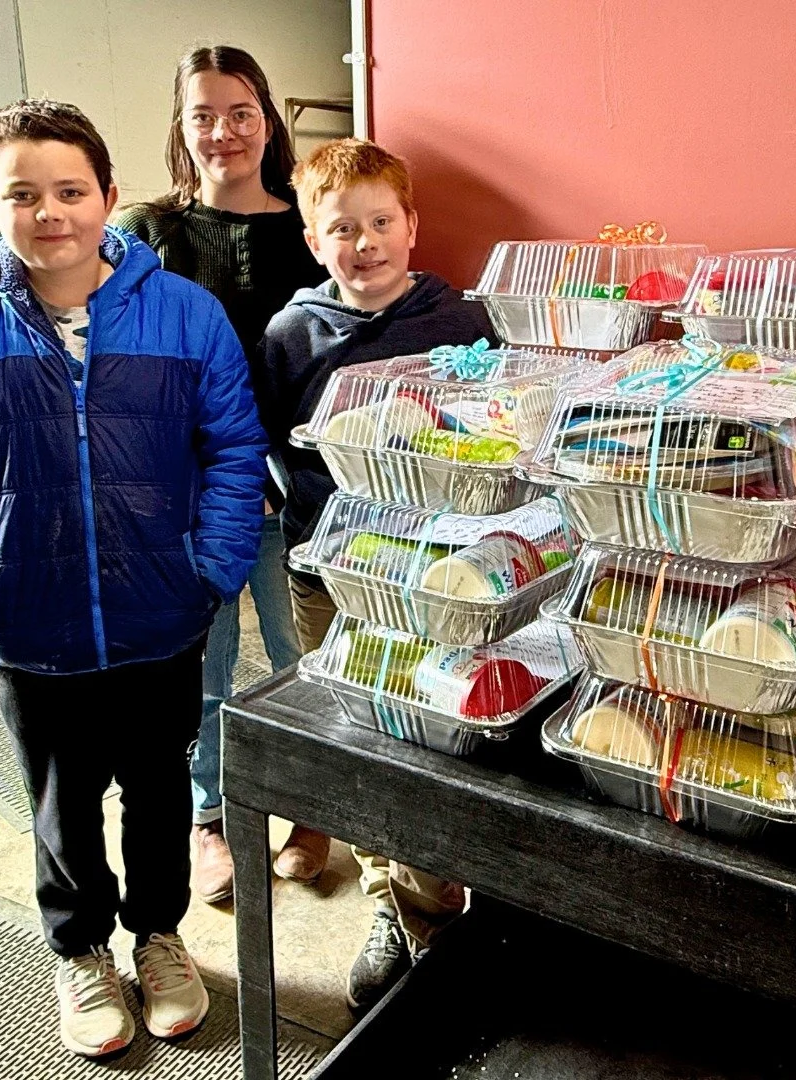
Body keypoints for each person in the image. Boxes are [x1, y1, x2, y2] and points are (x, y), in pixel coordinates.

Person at [0, 99, 266, 1056]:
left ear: (109, 196)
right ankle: (80, 951)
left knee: (159, 790)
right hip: (29, 623)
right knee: (61, 802)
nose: (50, 213)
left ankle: (159, 936)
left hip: (162, 613)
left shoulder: (186, 314)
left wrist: (213, 566)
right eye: (23, 195)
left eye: (71, 191)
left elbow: (234, 449)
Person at [255, 137, 494, 1012]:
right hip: (332, 574)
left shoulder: (460, 320)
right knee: (363, 735)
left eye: (381, 222)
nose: (365, 244)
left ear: (411, 226)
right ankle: (393, 904)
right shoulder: (290, 334)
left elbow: (493, 431)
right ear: (313, 242)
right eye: (342, 229)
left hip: (438, 572)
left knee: (436, 727)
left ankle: (442, 898)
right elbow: (269, 441)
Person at [115, 46, 326, 903]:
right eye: (202, 114)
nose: (223, 131)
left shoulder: (311, 226)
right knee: (201, 666)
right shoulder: (146, 231)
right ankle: (211, 818)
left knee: (298, 656)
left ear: (267, 120)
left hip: (289, 490)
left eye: (241, 112)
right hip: (180, 492)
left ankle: (310, 809)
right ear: (181, 125)